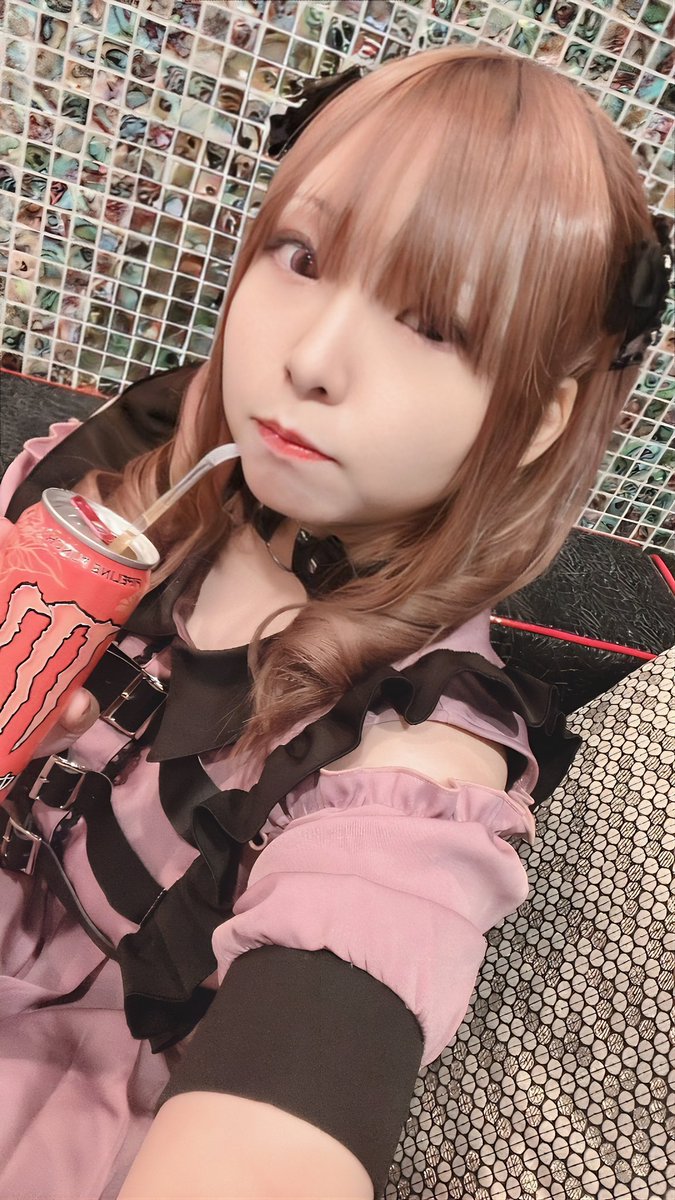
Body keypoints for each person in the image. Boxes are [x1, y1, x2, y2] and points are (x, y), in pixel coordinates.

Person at [0, 44, 670, 1200]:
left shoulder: (412, 758)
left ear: (537, 420)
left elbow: (305, 1077)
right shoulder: (112, 471)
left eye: (436, 324)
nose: (309, 359)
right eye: (302, 257)